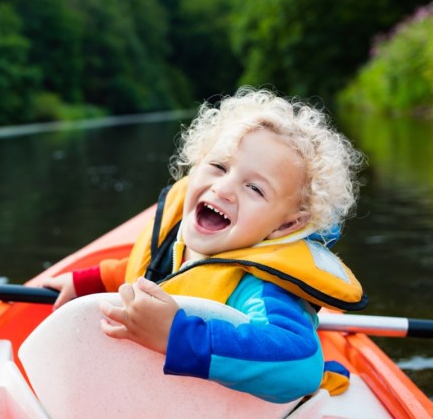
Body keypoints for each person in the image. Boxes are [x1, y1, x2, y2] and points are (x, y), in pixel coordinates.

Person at [42, 87, 367, 403]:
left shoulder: (262, 288)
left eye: (254, 188)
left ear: (286, 224)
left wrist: (177, 334)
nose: (224, 189)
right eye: (218, 167)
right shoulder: (180, 235)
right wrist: (88, 281)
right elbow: (150, 272)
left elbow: (300, 367)